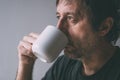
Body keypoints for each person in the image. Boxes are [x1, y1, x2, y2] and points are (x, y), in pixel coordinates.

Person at [16, 0, 120, 80]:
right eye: (58, 17)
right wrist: (26, 64)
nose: (59, 29)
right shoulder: (64, 64)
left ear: (104, 27)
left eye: (71, 18)